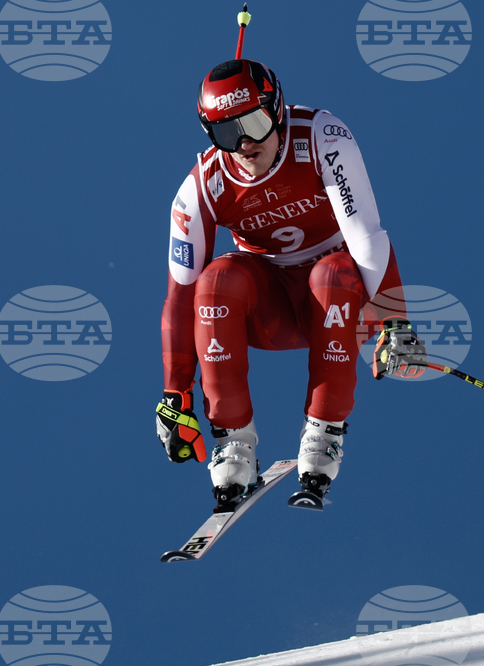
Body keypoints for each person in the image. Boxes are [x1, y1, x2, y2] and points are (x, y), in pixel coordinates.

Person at [155, 58, 427, 510]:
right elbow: (180, 296)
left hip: (337, 302)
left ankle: (323, 435)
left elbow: (365, 234)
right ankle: (233, 442)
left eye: (256, 124)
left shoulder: (321, 136)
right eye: (226, 134)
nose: (243, 144)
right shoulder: (203, 186)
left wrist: (394, 323)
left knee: (334, 269)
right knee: (217, 278)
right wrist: (175, 392)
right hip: (271, 309)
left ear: (277, 110)